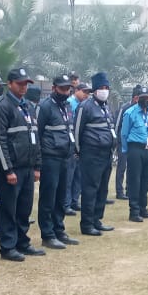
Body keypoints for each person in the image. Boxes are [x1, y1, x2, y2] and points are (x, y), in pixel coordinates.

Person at [0, 66, 44, 260]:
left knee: (24, 207)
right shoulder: (1, 107)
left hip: (27, 167)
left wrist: (37, 165)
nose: (23, 87)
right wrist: (7, 169)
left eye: (26, 84)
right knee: (8, 209)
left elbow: (35, 138)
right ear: (10, 84)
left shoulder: (28, 106)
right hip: (12, 169)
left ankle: (23, 242)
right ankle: (7, 246)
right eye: (20, 83)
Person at [35, 73, 80, 249]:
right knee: (49, 197)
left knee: (61, 196)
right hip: (50, 157)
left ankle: (59, 230)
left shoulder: (67, 106)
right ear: (54, 88)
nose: (66, 92)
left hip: (65, 157)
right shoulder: (45, 107)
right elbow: (37, 135)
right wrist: (37, 162)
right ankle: (47, 235)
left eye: (68, 88)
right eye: (62, 88)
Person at [74, 72, 117, 236]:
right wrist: (78, 151)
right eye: (101, 87)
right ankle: (87, 224)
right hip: (91, 154)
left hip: (106, 154)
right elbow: (77, 131)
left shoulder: (106, 107)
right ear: (95, 90)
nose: (104, 90)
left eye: (107, 87)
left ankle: (97, 220)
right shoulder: (85, 106)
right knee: (90, 189)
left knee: (102, 189)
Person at [120, 85, 148, 222]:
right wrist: (127, 151)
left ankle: (143, 208)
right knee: (135, 180)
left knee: (146, 179)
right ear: (137, 98)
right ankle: (134, 211)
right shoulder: (130, 113)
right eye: (143, 98)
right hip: (135, 149)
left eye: (147, 97)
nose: (145, 100)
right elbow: (124, 134)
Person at [64, 76, 88, 215]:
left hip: (80, 144)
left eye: (88, 93)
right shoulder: (69, 103)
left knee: (78, 174)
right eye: (84, 92)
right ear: (77, 90)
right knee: (69, 175)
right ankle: (66, 204)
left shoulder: (83, 104)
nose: (86, 95)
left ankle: (74, 201)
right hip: (71, 143)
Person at [114, 85, 141, 200]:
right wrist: (116, 141)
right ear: (136, 98)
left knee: (133, 167)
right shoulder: (124, 108)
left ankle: (129, 190)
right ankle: (119, 191)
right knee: (122, 167)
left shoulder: (141, 109)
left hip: (134, 144)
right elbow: (117, 125)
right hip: (123, 142)